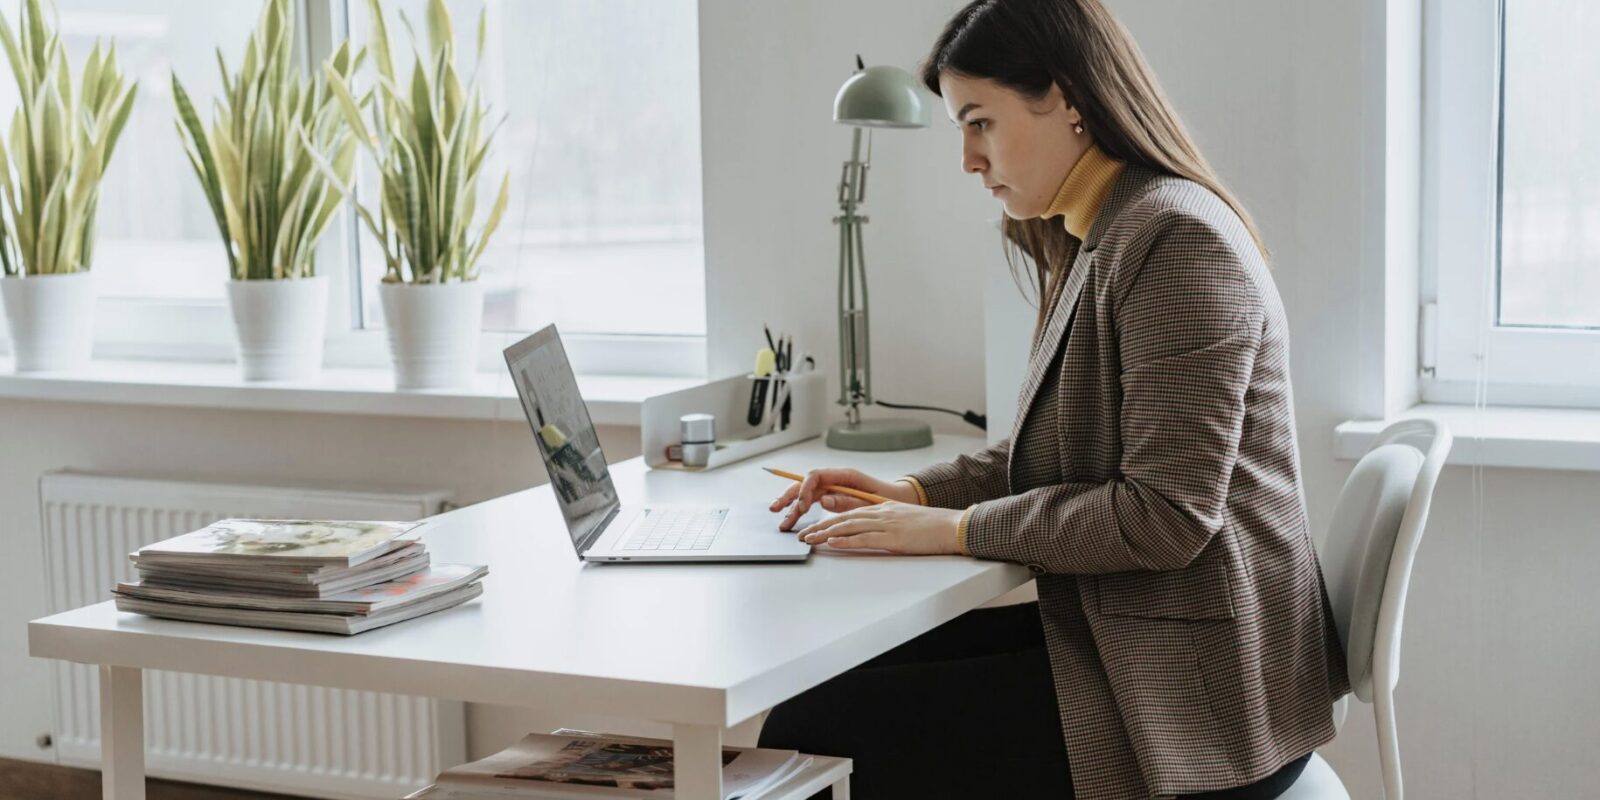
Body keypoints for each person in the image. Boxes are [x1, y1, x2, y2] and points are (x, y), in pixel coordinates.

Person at [758, 1, 1351, 798]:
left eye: (980, 122)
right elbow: (1056, 449)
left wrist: (958, 530)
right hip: (1138, 640)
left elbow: (1166, 516)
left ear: (1066, 98)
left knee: (815, 729)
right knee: (819, 698)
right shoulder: (1099, 231)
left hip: (1202, 697)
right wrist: (914, 494)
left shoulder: (1176, 240)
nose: (968, 159)